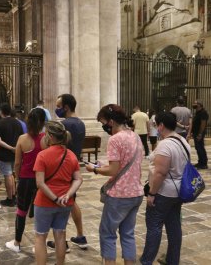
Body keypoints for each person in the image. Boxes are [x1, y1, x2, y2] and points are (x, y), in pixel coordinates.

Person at [85, 104, 144, 265]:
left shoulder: (115, 139)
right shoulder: (135, 136)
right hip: (136, 192)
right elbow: (128, 162)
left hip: (119, 195)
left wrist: (95, 169)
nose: (103, 126)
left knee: (108, 233)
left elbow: (113, 170)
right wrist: (103, 162)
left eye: (103, 122)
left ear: (110, 121)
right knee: (128, 234)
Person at [140, 112, 189, 265]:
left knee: (154, 226)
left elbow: (160, 173)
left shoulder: (165, 145)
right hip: (178, 192)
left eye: (156, 125)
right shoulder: (182, 141)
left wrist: (152, 193)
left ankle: (146, 261)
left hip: (164, 193)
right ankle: (173, 260)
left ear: (161, 126)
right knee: (174, 227)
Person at [33, 121, 83, 265]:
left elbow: (40, 183)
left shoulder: (42, 155)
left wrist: (55, 198)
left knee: (40, 237)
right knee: (60, 234)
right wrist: (67, 195)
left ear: (49, 136)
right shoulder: (71, 154)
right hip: (65, 203)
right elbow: (78, 179)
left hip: (44, 202)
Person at [47, 93, 87, 251]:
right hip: (73, 165)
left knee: (61, 205)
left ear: (66, 107)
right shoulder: (80, 123)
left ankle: (62, 242)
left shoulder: (66, 124)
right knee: (71, 202)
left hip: (63, 169)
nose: (57, 109)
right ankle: (80, 236)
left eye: (58, 106)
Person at [5, 108, 46, 253]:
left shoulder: (22, 139)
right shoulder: (46, 138)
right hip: (42, 180)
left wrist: (17, 178)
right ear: (43, 123)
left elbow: (17, 163)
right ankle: (39, 244)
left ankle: (17, 243)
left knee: (21, 211)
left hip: (26, 180)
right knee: (41, 212)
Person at [0, 103, 24, 207]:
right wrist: (16, 148)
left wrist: (10, 148)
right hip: (16, 153)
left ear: (1, 112)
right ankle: (14, 195)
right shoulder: (17, 123)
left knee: (8, 175)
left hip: (5, 153)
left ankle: (10, 198)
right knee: (13, 174)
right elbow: (22, 138)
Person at [188, 99, 209, 169]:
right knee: (198, 148)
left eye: (195, 103)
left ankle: (204, 164)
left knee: (200, 148)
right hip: (196, 133)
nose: (193, 104)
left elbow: (203, 124)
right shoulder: (198, 112)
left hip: (199, 133)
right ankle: (200, 162)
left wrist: (200, 134)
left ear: (199, 105)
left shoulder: (203, 112)